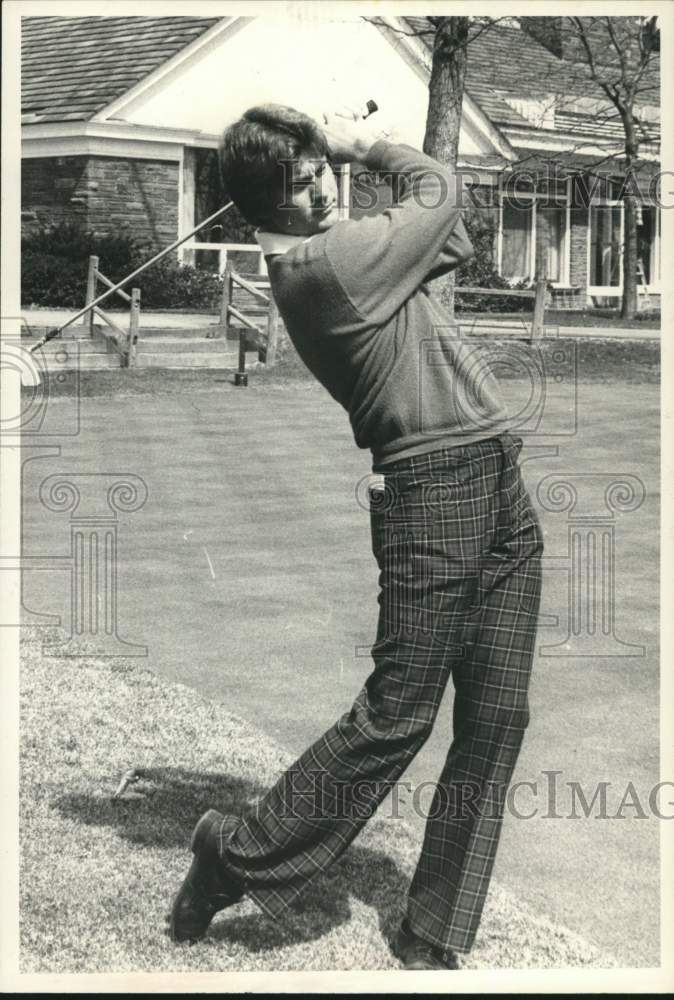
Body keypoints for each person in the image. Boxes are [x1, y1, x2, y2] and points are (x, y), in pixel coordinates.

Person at [168, 103, 544, 970]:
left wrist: (369, 183)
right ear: (269, 207)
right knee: (397, 715)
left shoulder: (343, 250)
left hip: (495, 477)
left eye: (323, 171)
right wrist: (362, 144)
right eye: (305, 184)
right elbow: (440, 191)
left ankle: (433, 931)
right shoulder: (322, 266)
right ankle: (234, 853)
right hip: (433, 489)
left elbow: (449, 238)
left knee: (498, 714)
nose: (325, 188)